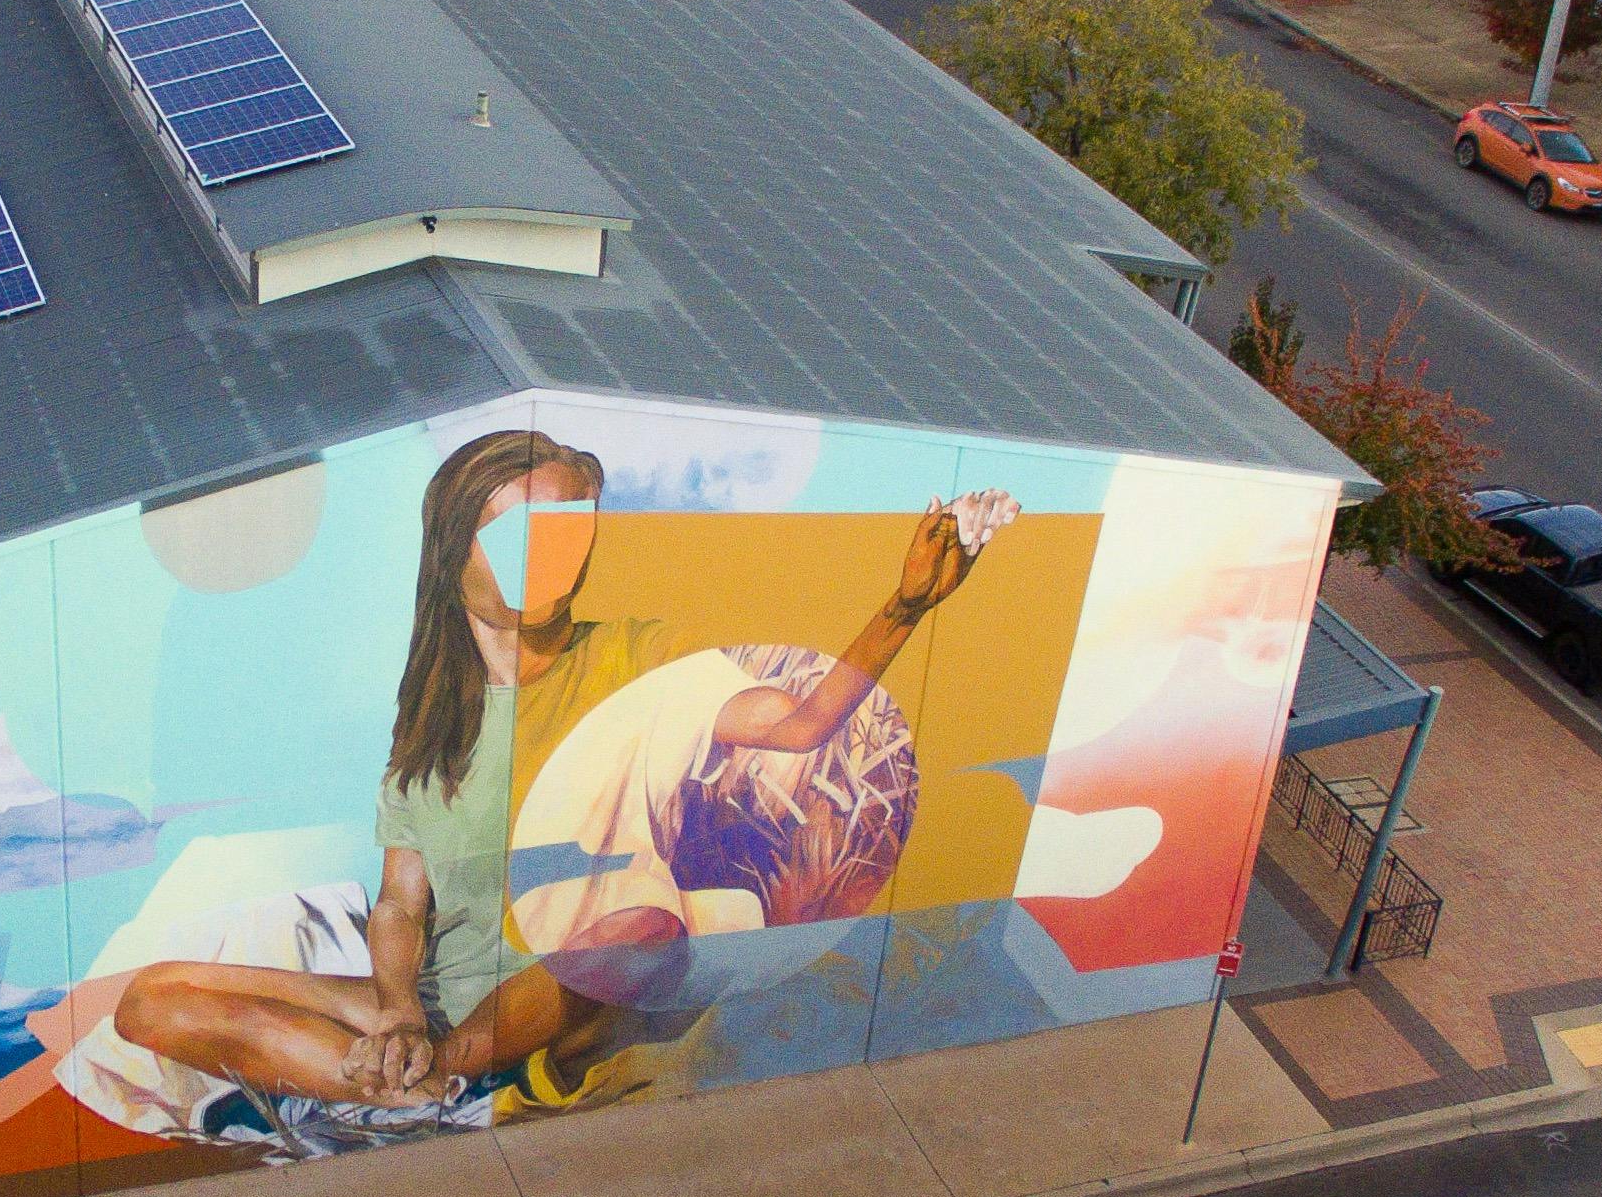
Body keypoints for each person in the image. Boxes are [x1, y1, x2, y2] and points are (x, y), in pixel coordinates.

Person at [106, 428, 1017, 1117]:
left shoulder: (633, 661)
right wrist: (392, 1011)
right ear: (451, 551)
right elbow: (398, 905)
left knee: (635, 930)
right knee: (149, 997)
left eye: (568, 529)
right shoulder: (430, 718)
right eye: (518, 533)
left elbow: (802, 722)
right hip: (431, 1000)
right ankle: (399, 1083)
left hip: (546, 995)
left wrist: (903, 606)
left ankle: (435, 1071)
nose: (552, 555)